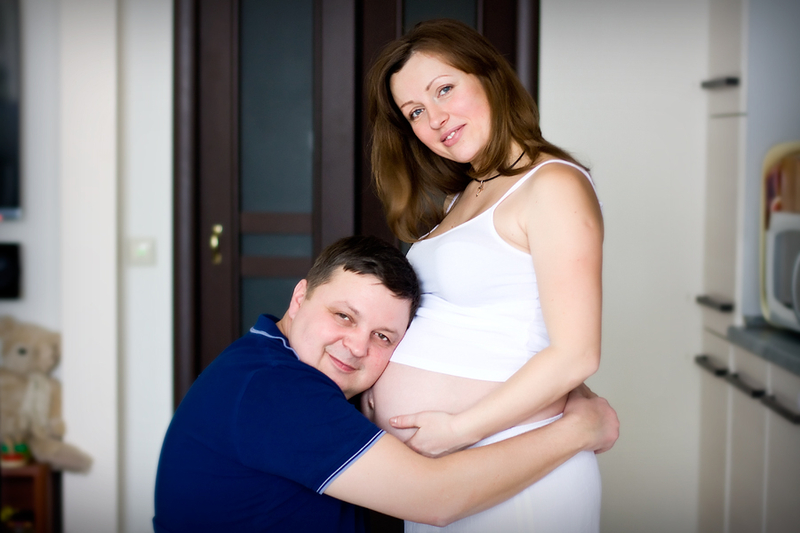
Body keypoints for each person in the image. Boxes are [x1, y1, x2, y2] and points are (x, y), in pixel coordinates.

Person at [153, 235, 618, 533]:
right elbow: (436, 498)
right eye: (344, 316)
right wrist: (579, 430)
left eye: (383, 337)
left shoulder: (264, 359)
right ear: (299, 297)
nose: (357, 347)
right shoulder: (276, 391)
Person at [364, 19, 607, 532]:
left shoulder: (551, 185)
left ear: (490, 77)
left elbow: (577, 353)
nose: (435, 118)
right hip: (448, 474)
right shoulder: (462, 194)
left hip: (512, 467)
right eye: (415, 111)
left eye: (444, 89)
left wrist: (458, 429)